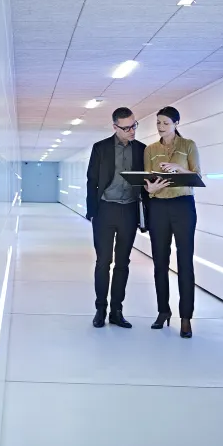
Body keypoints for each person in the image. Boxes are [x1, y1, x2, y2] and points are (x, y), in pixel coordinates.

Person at [86, 107, 148, 329]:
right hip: (105, 210)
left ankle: (117, 311)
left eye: (134, 125)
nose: (132, 131)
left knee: (123, 263)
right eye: (126, 127)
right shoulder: (100, 148)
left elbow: (146, 182)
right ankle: (100, 309)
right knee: (103, 262)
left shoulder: (142, 149)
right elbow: (91, 180)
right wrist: (91, 211)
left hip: (129, 211)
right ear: (115, 127)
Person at [143, 106, 201, 339]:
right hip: (158, 206)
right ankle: (163, 311)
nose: (161, 126)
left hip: (183, 205)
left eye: (165, 123)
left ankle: (185, 317)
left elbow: (196, 176)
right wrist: (151, 189)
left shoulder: (188, 145)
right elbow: (146, 179)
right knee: (159, 262)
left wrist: (179, 168)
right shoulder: (150, 149)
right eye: (158, 122)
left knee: (185, 262)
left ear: (176, 123)